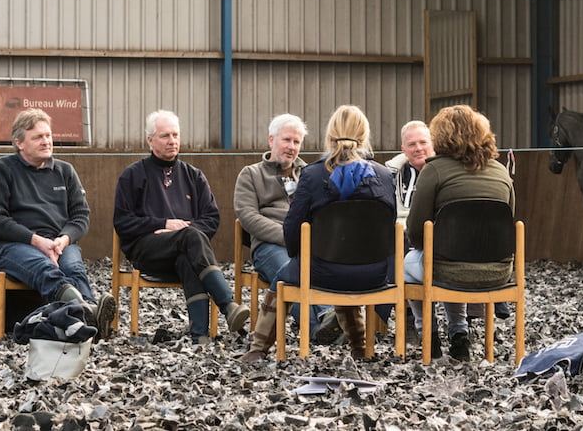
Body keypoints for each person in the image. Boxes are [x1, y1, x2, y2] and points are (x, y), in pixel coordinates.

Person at [114, 110, 248, 343]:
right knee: (190, 238)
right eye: (165, 135)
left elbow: (211, 218)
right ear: (150, 140)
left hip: (187, 252)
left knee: (189, 254)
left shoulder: (193, 175)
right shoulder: (133, 175)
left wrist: (181, 232)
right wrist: (163, 224)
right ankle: (228, 305)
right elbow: (123, 221)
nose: (172, 141)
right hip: (147, 252)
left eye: (175, 135)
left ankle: (200, 337)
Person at [0, 109, 116, 339]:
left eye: (48, 135)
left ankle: (86, 318)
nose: (46, 141)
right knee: (46, 269)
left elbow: (81, 216)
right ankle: (89, 316)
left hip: (59, 242)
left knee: (73, 268)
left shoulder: (65, 171)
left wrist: (63, 240)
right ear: (19, 143)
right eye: (37, 137)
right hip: (13, 245)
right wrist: (37, 241)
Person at [281, 104, 396, 359]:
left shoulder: (312, 175)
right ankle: (359, 347)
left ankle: (260, 347)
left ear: (329, 135)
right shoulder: (385, 176)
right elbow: (389, 225)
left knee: (285, 273)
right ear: (364, 136)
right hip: (375, 274)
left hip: (324, 273)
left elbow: (292, 229)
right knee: (347, 259)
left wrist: (296, 256)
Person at [404, 105, 515, 361]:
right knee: (452, 257)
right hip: (498, 271)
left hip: (447, 268)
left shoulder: (434, 170)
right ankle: (459, 334)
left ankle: (428, 336)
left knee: (410, 264)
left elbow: (416, 231)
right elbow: (507, 221)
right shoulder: (501, 172)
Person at [234, 114, 335, 362]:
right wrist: (289, 238)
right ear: (271, 140)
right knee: (290, 271)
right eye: (286, 140)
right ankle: (321, 325)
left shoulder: (311, 174)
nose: (292, 147)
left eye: (296, 142)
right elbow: (248, 216)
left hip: (307, 243)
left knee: (323, 265)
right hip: (270, 246)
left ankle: (326, 322)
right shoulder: (250, 174)